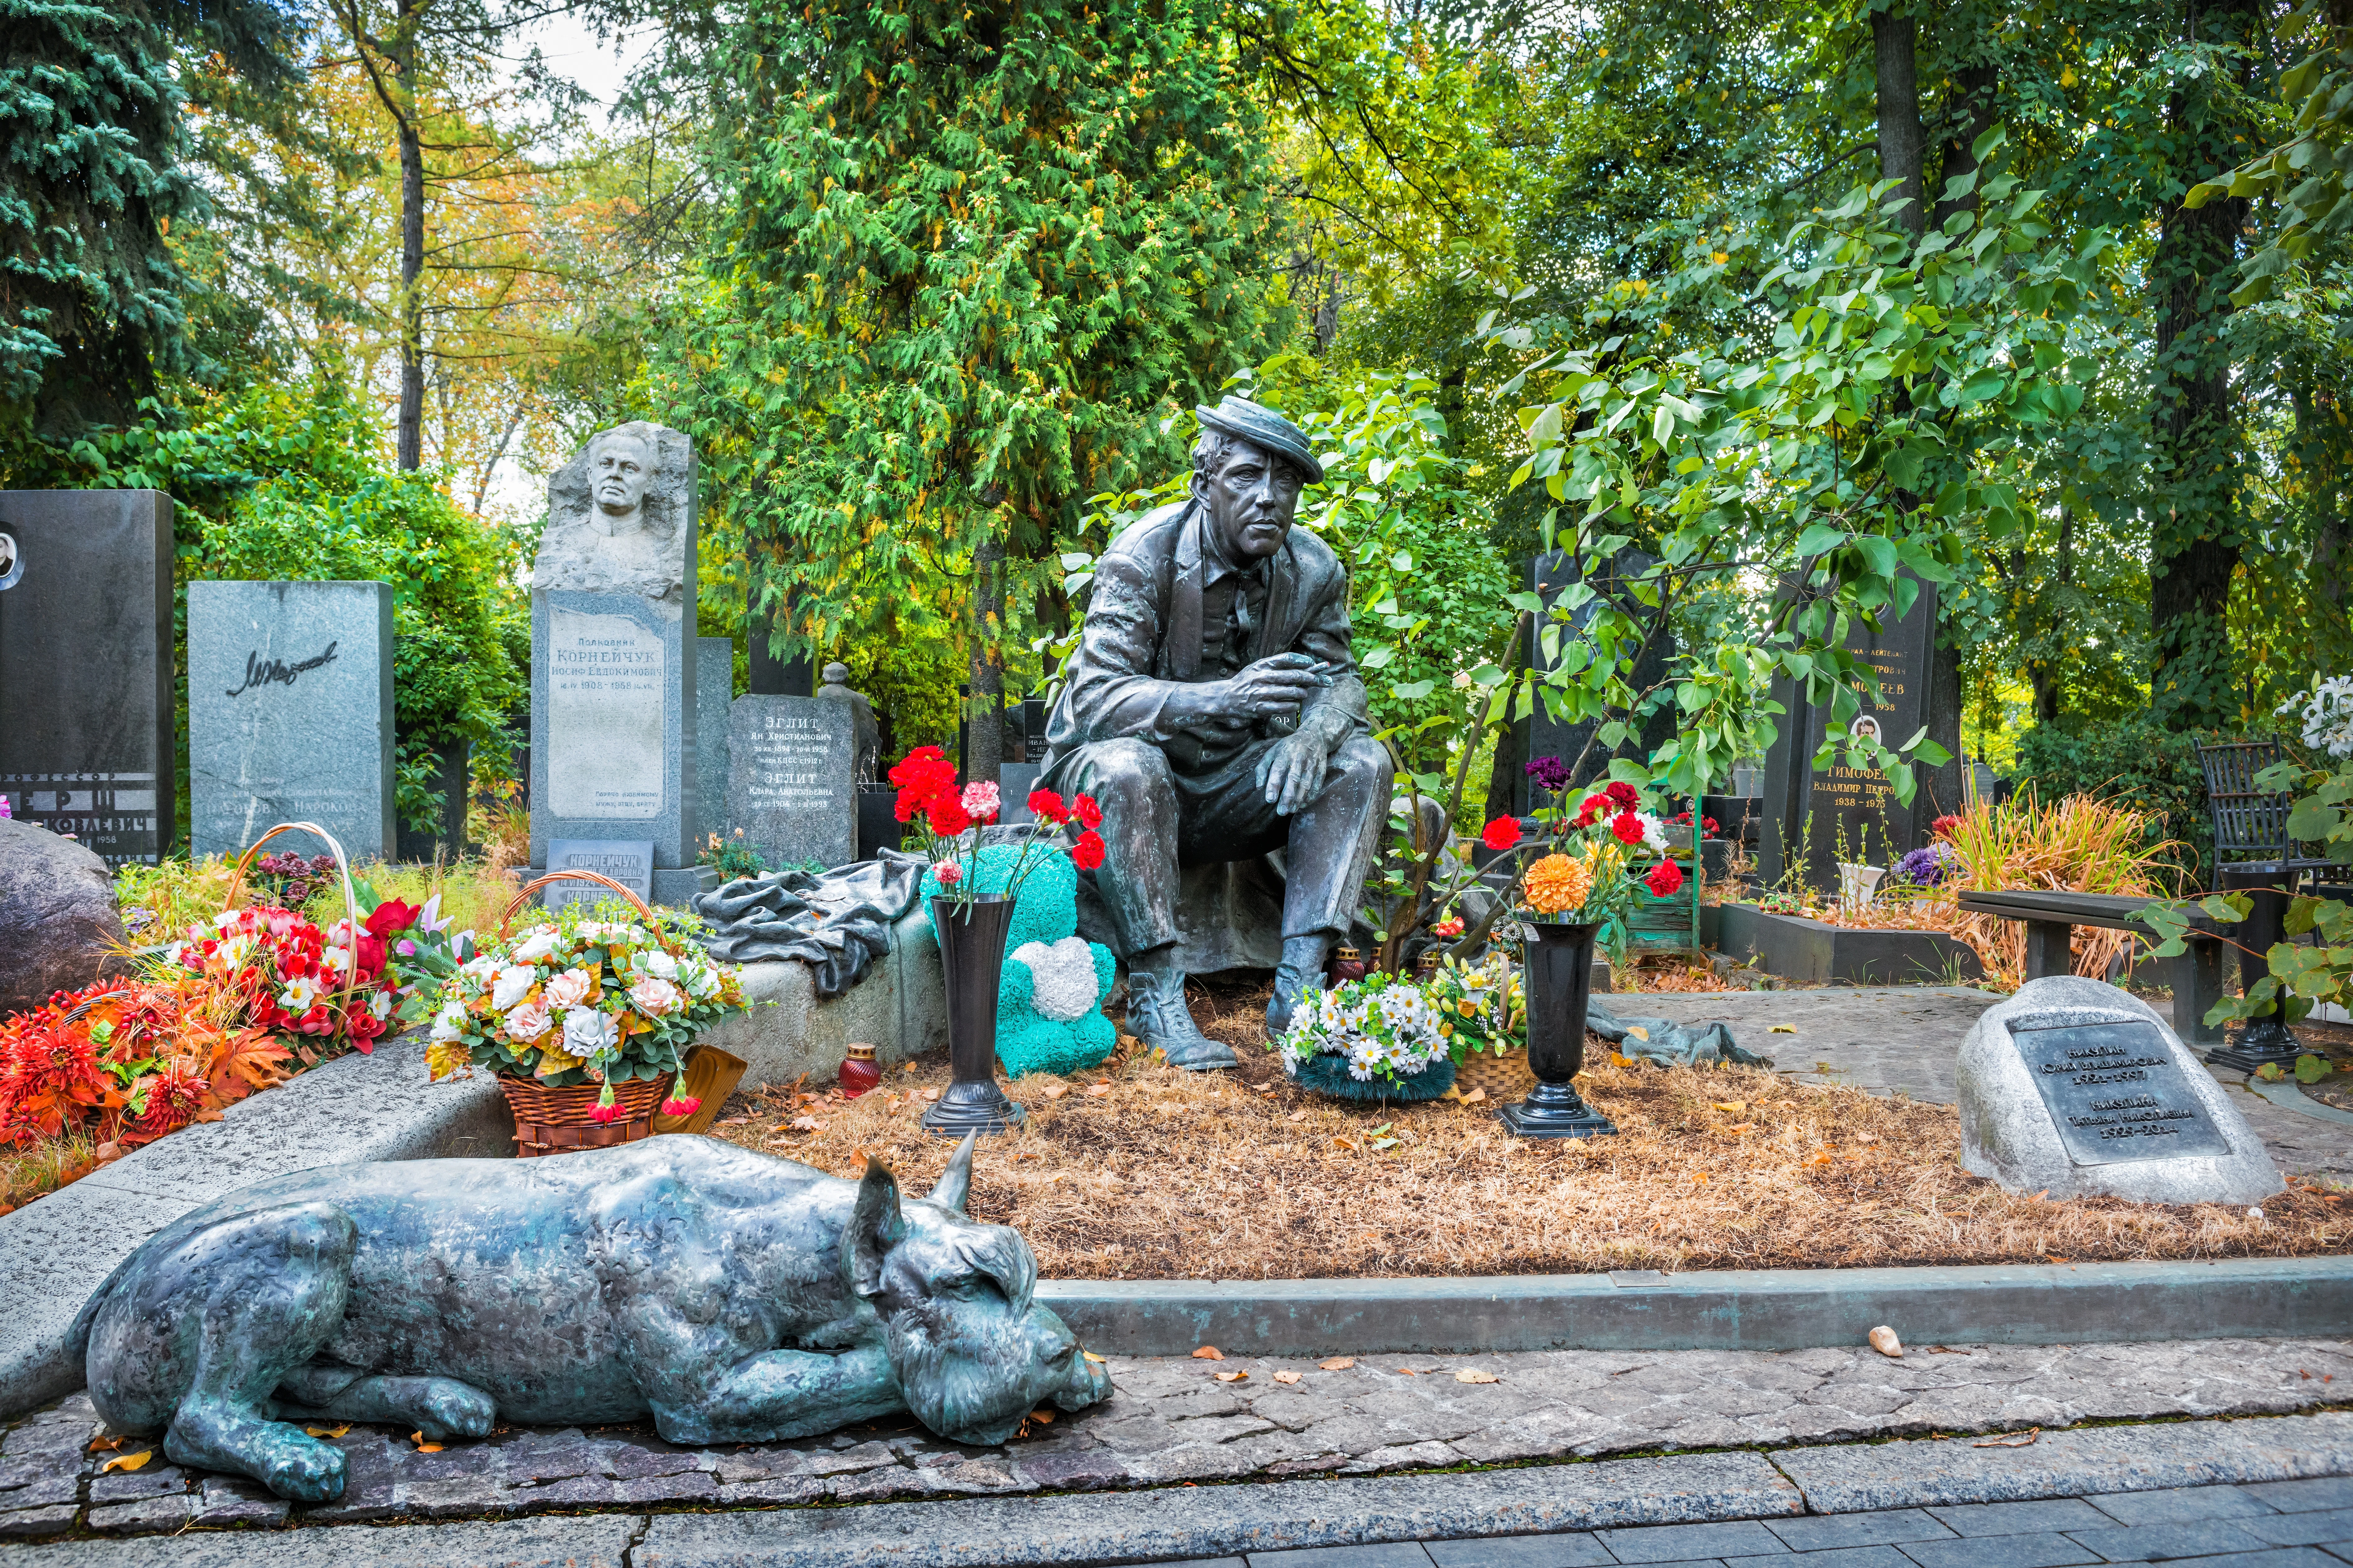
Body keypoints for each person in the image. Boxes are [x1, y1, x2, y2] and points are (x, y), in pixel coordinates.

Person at [1038, 397, 1391, 1068]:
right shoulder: (1143, 556)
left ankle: (1301, 989)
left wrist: (1311, 737)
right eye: (1246, 478)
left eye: (1283, 483)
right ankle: (1156, 992)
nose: (1267, 498)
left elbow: (1343, 683)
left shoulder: (1314, 570)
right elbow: (1095, 698)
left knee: (1361, 762)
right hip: (1127, 788)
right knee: (1127, 765)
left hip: (1233, 786)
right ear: (1205, 485)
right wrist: (1220, 698)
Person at [532, 424, 683, 599]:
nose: (615, 474)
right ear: (590, 474)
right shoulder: (559, 543)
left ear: (650, 482)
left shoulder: (666, 551)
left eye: (629, 468)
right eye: (606, 464)